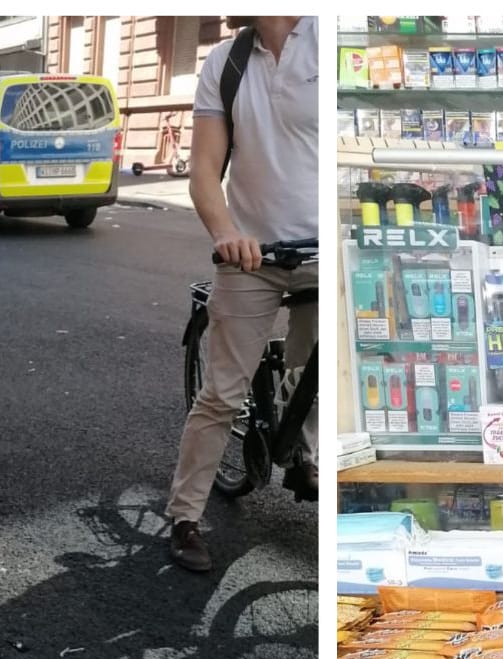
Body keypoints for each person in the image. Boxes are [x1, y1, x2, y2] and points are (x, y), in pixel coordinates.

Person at [165, 16, 319, 573]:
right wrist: (226, 232)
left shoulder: (330, 41)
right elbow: (204, 169)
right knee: (222, 394)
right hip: (251, 255)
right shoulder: (225, 63)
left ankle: (304, 452)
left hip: (323, 253)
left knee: (319, 372)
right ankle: (185, 517)